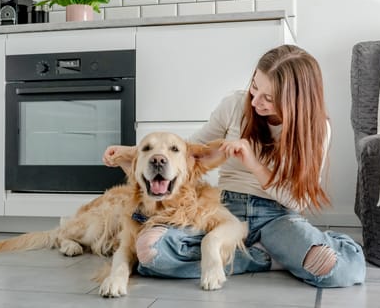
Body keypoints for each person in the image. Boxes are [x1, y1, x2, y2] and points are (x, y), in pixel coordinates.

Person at [103, 44, 366, 288]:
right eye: (255, 86)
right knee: (150, 251)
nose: (254, 102)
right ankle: (270, 258)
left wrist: (253, 163)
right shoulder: (233, 106)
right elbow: (188, 152)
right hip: (224, 210)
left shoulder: (316, 129)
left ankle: (256, 255)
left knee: (340, 270)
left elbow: (297, 201)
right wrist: (133, 153)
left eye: (269, 98)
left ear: (296, 101)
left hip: (277, 218)